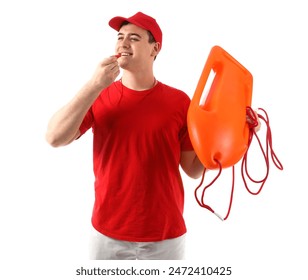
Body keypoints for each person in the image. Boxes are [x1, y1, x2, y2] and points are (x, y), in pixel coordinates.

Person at [46, 12, 259, 260]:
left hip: (166, 236)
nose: (123, 43)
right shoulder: (99, 95)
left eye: (134, 38)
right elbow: (54, 137)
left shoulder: (179, 102)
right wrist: (95, 85)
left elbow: (193, 169)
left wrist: (231, 129)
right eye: (120, 37)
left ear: (154, 49)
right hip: (106, 235)